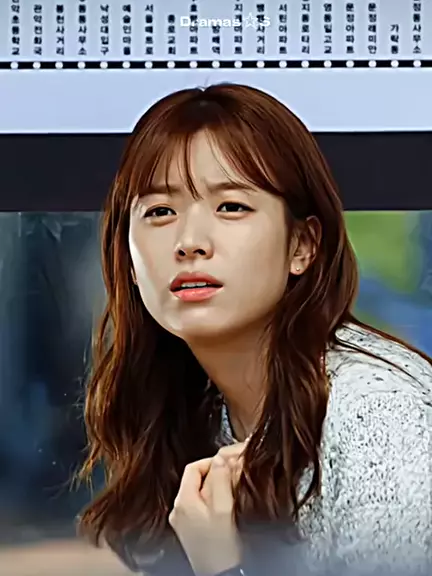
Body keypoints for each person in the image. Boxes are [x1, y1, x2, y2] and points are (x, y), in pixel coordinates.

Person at [76, 83, 432, 576]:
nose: (190, 242)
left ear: (302, 245)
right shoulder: (197, 410)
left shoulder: (378, 415)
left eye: (231, 207)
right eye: (160, 211)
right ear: (129, 261)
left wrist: (221, 566)